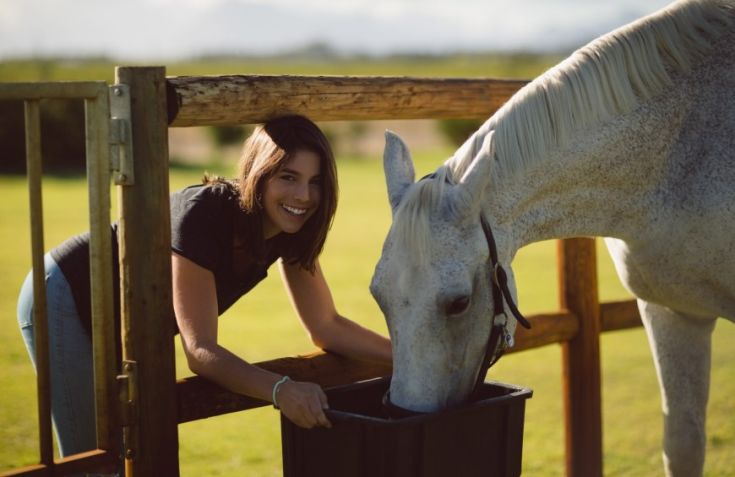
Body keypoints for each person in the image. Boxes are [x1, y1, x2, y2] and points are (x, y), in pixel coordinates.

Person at [17, 115, 393, 462]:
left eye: (315, 182)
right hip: (65, 295)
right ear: (258, 174)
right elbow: (200, 351)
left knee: (131, 456)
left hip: (123, 318)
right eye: (288, 177)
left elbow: (326, 325)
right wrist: (282, 389)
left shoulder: (288, 232)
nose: (303, 196)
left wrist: (408, 354)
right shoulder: (205, 214)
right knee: (97, 461)